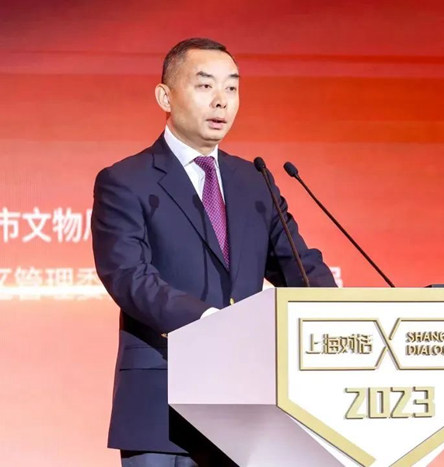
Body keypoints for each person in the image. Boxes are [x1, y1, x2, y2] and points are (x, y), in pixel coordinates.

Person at [91, 37, 336, 466]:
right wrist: (209, 324)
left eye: (232, 87)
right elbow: (128, 276)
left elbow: (298, 265)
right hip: (162, 407)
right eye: (205, 86)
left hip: (248, 407)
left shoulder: (254, 180)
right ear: (165, 96)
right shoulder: (126, 181)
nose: (221, 100)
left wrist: (345, 316)